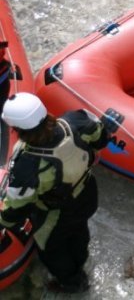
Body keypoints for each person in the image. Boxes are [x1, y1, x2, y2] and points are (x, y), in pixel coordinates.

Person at [0, 92, 108, 293]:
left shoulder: (27, 165)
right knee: (79, 229)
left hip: (57, 212)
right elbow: (101, 136)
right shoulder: (76, 121)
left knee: (51, 248)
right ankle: (80, 260)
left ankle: (72, 282)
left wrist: (3, 221)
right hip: (87, 193)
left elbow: (18, 207)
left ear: (16, 128)